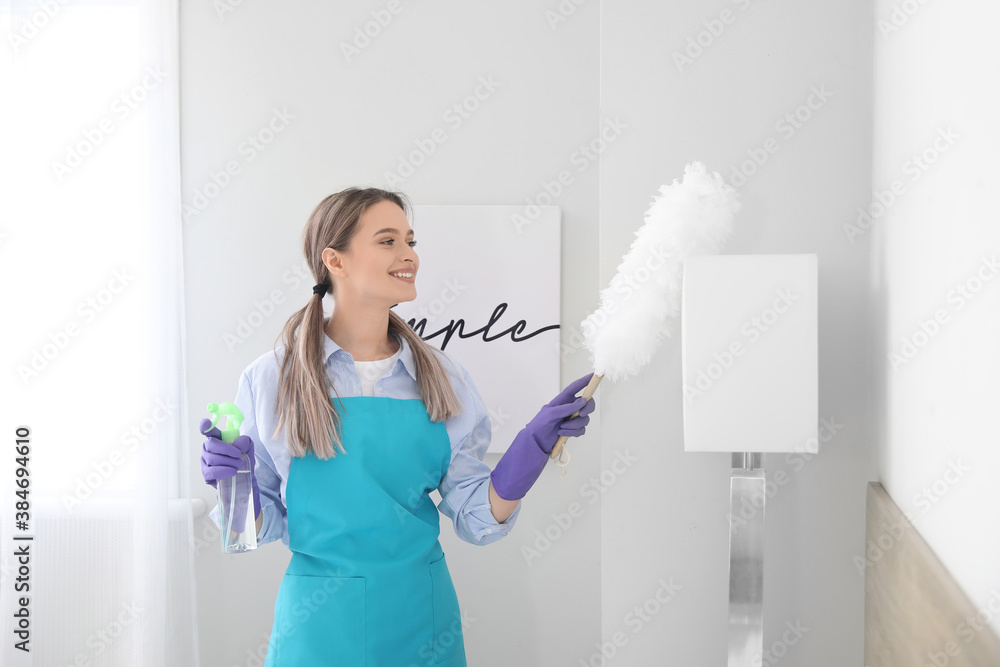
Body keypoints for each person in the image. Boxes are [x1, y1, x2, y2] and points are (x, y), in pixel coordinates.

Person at [199, 186, 596, 665]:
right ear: (335, 260)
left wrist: (530, 451)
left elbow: (476, 522)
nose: (410, 255)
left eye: (411, 241)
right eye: (388, 241)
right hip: (318, 625)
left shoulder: (442, 378)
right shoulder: (272, 378)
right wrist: (233, 486)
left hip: (421, 622)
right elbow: (248, 533)